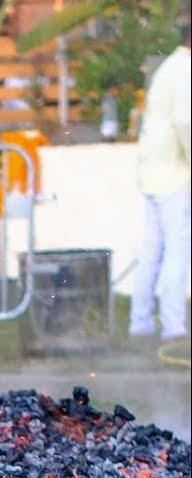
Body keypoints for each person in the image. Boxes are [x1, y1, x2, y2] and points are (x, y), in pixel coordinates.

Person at [130, 22, 191, 343]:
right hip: (173, 174)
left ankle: (140, 322)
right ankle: (173, 326)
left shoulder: (170, 66)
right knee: (177, 251)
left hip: (154, 171)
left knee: (152, 251)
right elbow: (185, 121)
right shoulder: (185, 70)